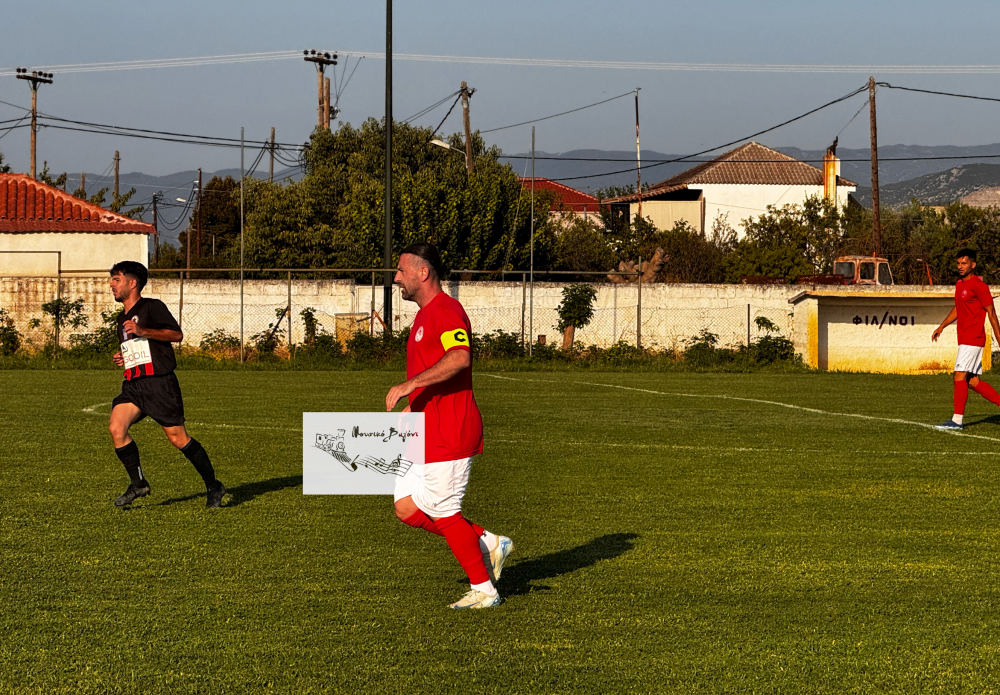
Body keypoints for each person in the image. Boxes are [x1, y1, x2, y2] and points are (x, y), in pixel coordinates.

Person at [385, 242, 513, 609]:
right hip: (423, 428)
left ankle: (485, 591)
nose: (397, 278)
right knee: (406, 507)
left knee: (443, 510)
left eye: (401, 271)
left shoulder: (446, 310)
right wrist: (415, 402)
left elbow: (459, 357)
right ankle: (488, 542)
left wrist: (411, 385)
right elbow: (435, 369)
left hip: (450, 429)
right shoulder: (424, 316)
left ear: (423, 273)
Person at [107, 260, 226, 507]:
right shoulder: (122, 318)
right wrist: (125, 357)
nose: (111, 285)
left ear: (132, 282)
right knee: (117, 428)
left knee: (177, 438)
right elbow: (140, 348)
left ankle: (214, 486)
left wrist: (144, 331)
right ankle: (138, 485)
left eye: (116, 280)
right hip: (134, 384)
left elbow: (176, 335)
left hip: (160, 384)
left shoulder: (152, 307)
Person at [932, 248, 1000, 430]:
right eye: (958, 263)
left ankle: (956, 421)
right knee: (972, 381)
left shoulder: (979, 286)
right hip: (964, 338)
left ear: (973, 264)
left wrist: (999, 339)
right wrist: (942, 325)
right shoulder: (960, 285)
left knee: (959, 376)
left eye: (964, 263)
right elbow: (958, 308)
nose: (960, 267)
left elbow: (992, 314)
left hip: (973, 338)